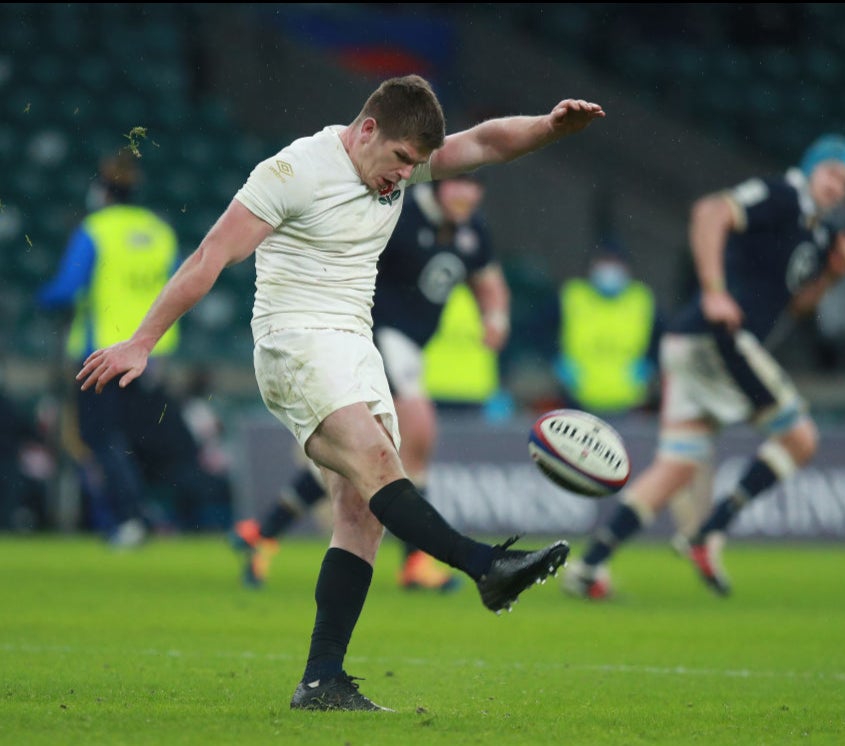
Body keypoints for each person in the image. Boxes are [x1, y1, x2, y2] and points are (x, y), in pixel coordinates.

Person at [77, 74, 604, 711]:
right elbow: (211, 255)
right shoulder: (294, 169)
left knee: (360, 511)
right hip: (293, 340)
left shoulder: (402, 164)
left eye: (417, 166)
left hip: (355, 344)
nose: (405, 176)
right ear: (366, 130)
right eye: (401, 160)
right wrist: (142, 340)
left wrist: (549, 127)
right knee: (382, 465)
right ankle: (484, 567)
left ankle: (323, 678)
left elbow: (488, 144)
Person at [561, 133, 845, 600]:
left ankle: (587, 566)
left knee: (676, 467)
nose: (838, 186)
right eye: (832, 173)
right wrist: (714, 289)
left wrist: (832, 275)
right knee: (801, 438)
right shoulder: (782, 195)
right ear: (811, 168)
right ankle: (709, 531)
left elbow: (797, 304)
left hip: (689, 344)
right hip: (719, 340)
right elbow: (709, 211)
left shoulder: (819, 232)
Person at [231, 172, 511, 593]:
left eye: (474, 185)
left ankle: (264, 531)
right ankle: (417, 561)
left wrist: (495, 317)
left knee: (361, 456)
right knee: (417, 430)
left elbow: (488, 281)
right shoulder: (404, 214)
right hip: (374, 337)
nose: (466, 193)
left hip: (409, 347)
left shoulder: (472, 229)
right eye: (458, 183)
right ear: (439, 186)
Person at [37, 151, 227, 546]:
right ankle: (166, 515)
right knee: (143, 439)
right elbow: (183, 283)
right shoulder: (159, 231)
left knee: (100, 438)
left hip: (103, 355)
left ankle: (129, 519)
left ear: (102, 192)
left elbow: (66, 290)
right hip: (152, 357)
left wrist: (43, 299)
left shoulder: (96, 230)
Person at [553, 237, 662, 416]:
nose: (609, 270)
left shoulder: (641, 300)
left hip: (630, 405)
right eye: (604, 262)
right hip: (578, 402)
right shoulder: (573, 296)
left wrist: (651, 364)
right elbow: (538, 331)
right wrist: (557, 361)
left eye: (615, 263)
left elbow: (664, 337)